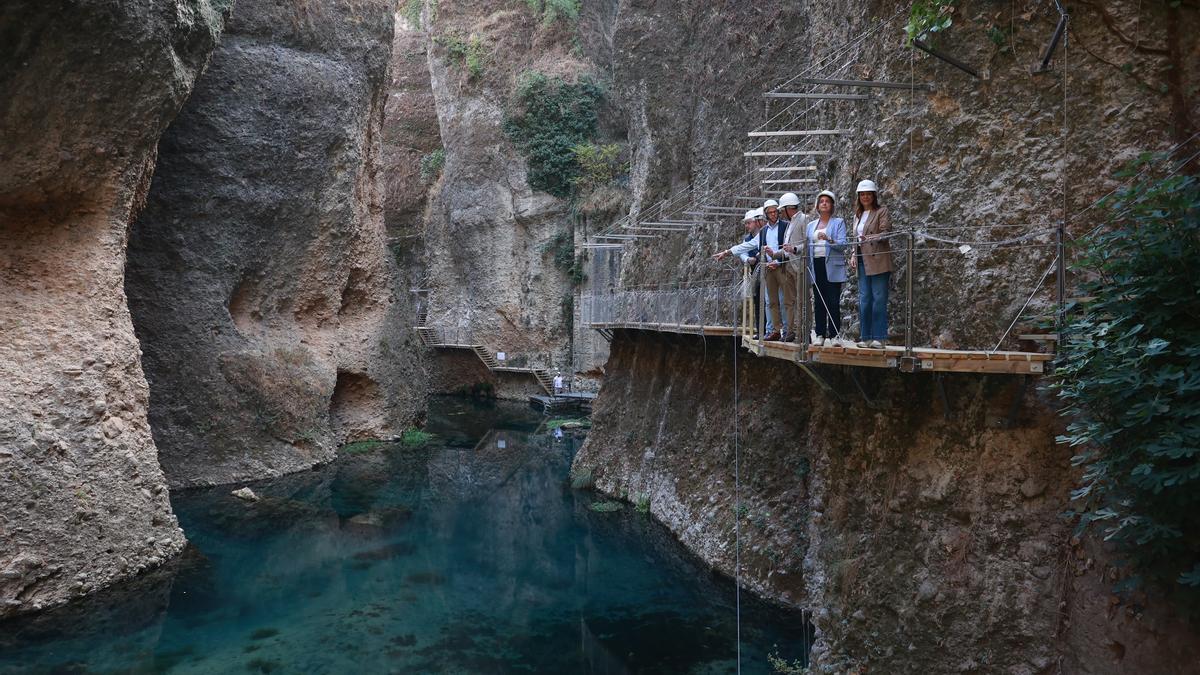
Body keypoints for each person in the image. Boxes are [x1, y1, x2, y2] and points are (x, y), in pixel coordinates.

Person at [848, 179, 894, 349]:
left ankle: (879, 338)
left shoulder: (881, 211)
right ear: (858, 197)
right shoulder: (857, 215)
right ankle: (866, 337)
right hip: (862, 260)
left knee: (879, 299)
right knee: (864, 300)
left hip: (878, 259)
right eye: (862, 194)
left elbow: (886, 232)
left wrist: (869, 238)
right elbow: (856, 239)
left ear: (874, 195)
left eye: (868, 194)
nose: (865, 197)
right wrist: (853, 253)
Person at [805, 190, 849, 346]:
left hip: (832, 265)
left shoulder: (838, 222)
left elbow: (843, 245)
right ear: (817, 206)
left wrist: (829, 239)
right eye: (821, 201)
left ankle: (835, 335)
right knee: (818, 301)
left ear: (832, 206)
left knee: (833, 300)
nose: (824, 203)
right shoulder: (810, 225)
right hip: (816, 264)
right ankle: (820, 334)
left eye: (827, 201)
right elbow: (806, 247)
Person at [764, 192, 806, 341]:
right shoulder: (790, 224)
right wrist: (773, 254)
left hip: (799, 266)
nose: (779, 213)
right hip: (789, 266)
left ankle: (803, 333)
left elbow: (807, 243)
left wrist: (794, 249)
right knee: (789, 301)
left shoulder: (803, 220)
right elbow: (786, 247)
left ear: (789, 208)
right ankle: (791, 331)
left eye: (780, 210)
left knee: (801, 301)